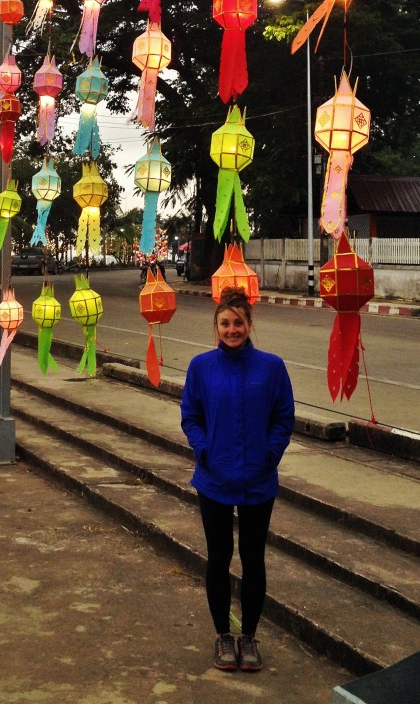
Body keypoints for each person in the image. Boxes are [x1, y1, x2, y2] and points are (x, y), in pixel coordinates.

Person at [180, 287, 294, 673]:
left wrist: (270, 453)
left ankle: (248, 636)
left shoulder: (272, 367)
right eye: (225, 323)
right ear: (216, 326)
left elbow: (283, 417)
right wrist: (203, 448)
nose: (232, 329)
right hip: (213, 477)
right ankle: (222, 637)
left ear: (250, 324)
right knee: (218, 558)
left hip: (258, 480)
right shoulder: (200, 367)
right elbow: (190, 415)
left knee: (253, 559)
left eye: (239, 323)